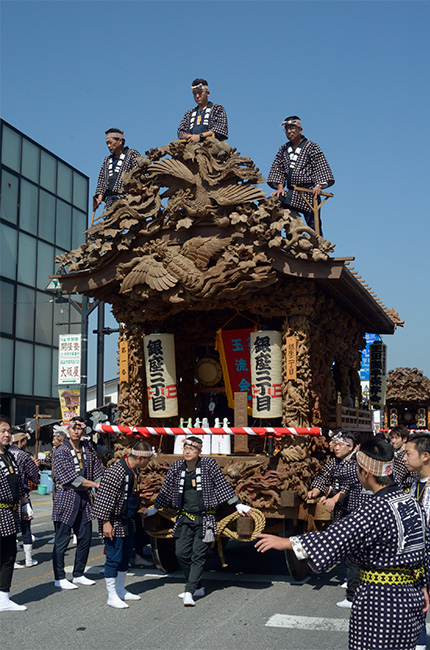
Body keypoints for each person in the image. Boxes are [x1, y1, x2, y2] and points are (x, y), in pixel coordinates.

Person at [256, 438, 429, 650]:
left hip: (381, 602)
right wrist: (423, 585)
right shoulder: (411, 502)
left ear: (366, 472)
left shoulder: (375, 508)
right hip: (411, 599)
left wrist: (284, 542)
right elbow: (424, 550)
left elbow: (335, 538)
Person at [143, 436, 251, 606]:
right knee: (181, 553)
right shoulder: (177, 467)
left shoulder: (209, 465)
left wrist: (237, 505)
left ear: (199, 452)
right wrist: (155, 508)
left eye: (192, 449)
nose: (187, 451)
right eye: (185, 448)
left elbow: (222, 485)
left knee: (198, 555)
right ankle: (197, 586)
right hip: (185, 517)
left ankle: (189, 590)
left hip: (207, 518)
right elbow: (166, 490)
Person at [93, 440, 155, 609]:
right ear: (141, 458)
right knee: (113, 557)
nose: (148, 463)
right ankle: (111, 595)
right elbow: (103, 499)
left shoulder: (134, 471)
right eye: (148, 459)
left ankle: (120, 589)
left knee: (126, 555)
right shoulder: (116, 471)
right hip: (113, 520)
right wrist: (105, 522)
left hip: (128, 519)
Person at [52, 416, 103, 590]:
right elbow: (69, 478)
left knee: (85, 537)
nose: (76, 430)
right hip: (66, 497)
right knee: (62, 540)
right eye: (73, 427)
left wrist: (103, 481)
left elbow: (97, 469)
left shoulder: (88, 448)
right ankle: (59, 577)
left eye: (80, 427)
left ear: (84, 430)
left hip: (84, 499)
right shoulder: (61, 451)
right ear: (68, 430)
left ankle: (78, 574)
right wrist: (95, 484)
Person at [267, 116, 334, 232]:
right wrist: (280, 187)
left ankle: (318, 246)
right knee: (272, 202)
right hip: (291, 192)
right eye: (287, 129)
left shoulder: (312, 147)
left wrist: (318, 186)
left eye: (292, 128)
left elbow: (320, 167)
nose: (289, 132)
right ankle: (273, 233)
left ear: (300, 130)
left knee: (314, 225)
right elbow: (278, 169)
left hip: (308, 194)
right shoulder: (283, 149)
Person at [403, 432, 430, 650]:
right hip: (419, 559)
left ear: (425, 456)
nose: (403, 457)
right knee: (418, 606)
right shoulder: (414, 482)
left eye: (408, 453)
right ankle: (419, 641)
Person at [0, 415, 28, 612]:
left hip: (9, 512)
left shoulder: (9, 455)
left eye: (9, 431)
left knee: (9, 555)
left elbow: (18, 483)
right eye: (3, 431)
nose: (7, 434)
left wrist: (26, 503)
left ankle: (3, 598)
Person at [8, 431, 40, 568]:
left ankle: (11, 560)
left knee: (9, 529)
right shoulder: (24, 455)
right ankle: (28, 559)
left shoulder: (4, 454)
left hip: (5, 497)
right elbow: (35, 476)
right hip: (22, 497)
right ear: (21, 442)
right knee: (26, 527)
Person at [95, 128, 141, 210]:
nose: (108, 146)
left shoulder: (132, 154)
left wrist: (141, 187)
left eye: (110, 142)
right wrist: (99, 198)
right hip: (110, 203)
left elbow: (139, 172)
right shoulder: (107, 160)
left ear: (120, 141)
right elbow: (101, 181)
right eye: (107, 144)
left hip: (127, 200)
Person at [177, 78, 228, 143]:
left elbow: (220, 128)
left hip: (211, 144)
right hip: (191, 145)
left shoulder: (217, 108)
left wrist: (200, 136)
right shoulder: (189, 113)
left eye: (200, 93)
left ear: (208, 93)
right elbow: (180, 132)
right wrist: (189, 136)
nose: (197, 96)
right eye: (194, 94)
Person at [391, 424, 415, 489]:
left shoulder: (403, 455)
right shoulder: (408, 452)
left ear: (404, 439)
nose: (393, 441)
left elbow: (396, 478)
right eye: (392, 437)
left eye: (396, 438)